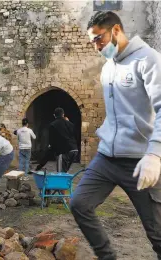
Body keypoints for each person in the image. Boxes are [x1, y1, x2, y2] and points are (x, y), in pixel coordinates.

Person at [70, 11, 161, 260]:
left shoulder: (149, 60)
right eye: (93, 42)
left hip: (141, 161)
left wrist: (155, 153)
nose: (97, 46)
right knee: (79, 204)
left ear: (117, 30)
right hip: (107, 158)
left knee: (157, 235)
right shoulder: (108, 68)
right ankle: (107, 257)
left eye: (99, 39)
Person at [35, 107, 78, 173]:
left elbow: (52, 142)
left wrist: (41, 164)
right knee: (65, 171)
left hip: (64, 152)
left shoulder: (53, 125)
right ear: (63, 114)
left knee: (61, 173)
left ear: (54, 115)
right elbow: (74, 136)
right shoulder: (71, 124)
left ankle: (61, 182)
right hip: (74, 150)